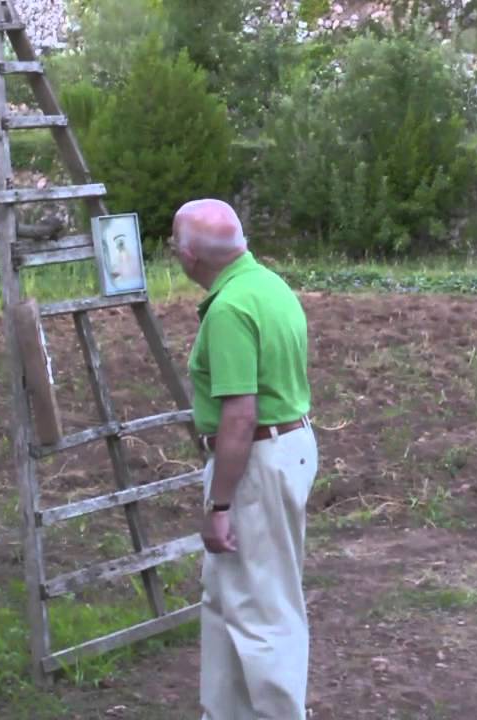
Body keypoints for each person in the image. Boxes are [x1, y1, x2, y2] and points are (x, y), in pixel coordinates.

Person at [170, 198, 318, 720]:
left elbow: (239, 416)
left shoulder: (230, 309)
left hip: (254, 460)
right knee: (227, 598)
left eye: (173, 243)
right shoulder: (268, 286)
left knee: (261, 610)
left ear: (190, 255)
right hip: (284, 446)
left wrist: (219, 505)